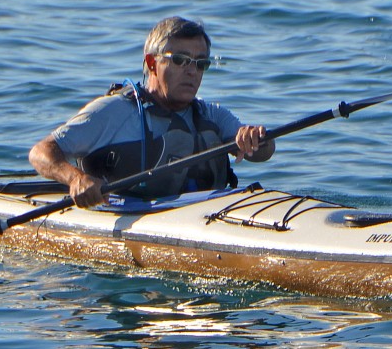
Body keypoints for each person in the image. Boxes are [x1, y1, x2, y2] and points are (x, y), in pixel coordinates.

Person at [29, 16, 275, 208]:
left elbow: (263, 153)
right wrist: (75, 179)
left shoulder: (213, 115)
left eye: (201, 63)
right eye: (180, 60)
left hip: (206, 215)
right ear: (151, 63)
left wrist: (256, 140)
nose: (192, 71)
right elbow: (41, 152)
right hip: (129, 216)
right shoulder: (113, 112)